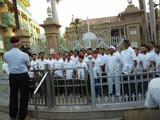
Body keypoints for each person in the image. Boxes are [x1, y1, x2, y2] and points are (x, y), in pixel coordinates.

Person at [3, 37, 30, 120]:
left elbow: (7, 64)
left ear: (11, 44)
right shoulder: (24, 55)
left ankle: (12, 116)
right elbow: (28, 66)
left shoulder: (6, 54)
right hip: (23, 76)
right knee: (24, 97)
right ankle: (22, 116)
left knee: (13, 96)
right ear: (19, 43)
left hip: (12, 76)